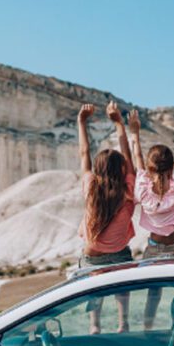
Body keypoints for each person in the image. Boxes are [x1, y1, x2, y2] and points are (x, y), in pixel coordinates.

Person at [128, 108, 174, 328]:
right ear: (172, 167)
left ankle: (147, 329)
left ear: (149, 170)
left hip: (154, 249)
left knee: (153, 295)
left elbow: (138, 157)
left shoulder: (142, 187)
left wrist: (135, 132)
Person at [78, 101, 135, 333]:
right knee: (122, 288)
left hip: (94, 254)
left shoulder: (91, 185)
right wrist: (119, 123)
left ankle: (95, 325)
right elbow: (128, 156)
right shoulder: (127, 189)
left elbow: (84, 152)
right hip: (119, 252)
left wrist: (82, 122)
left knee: (94, 288)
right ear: (121, 170)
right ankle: (123, 323)